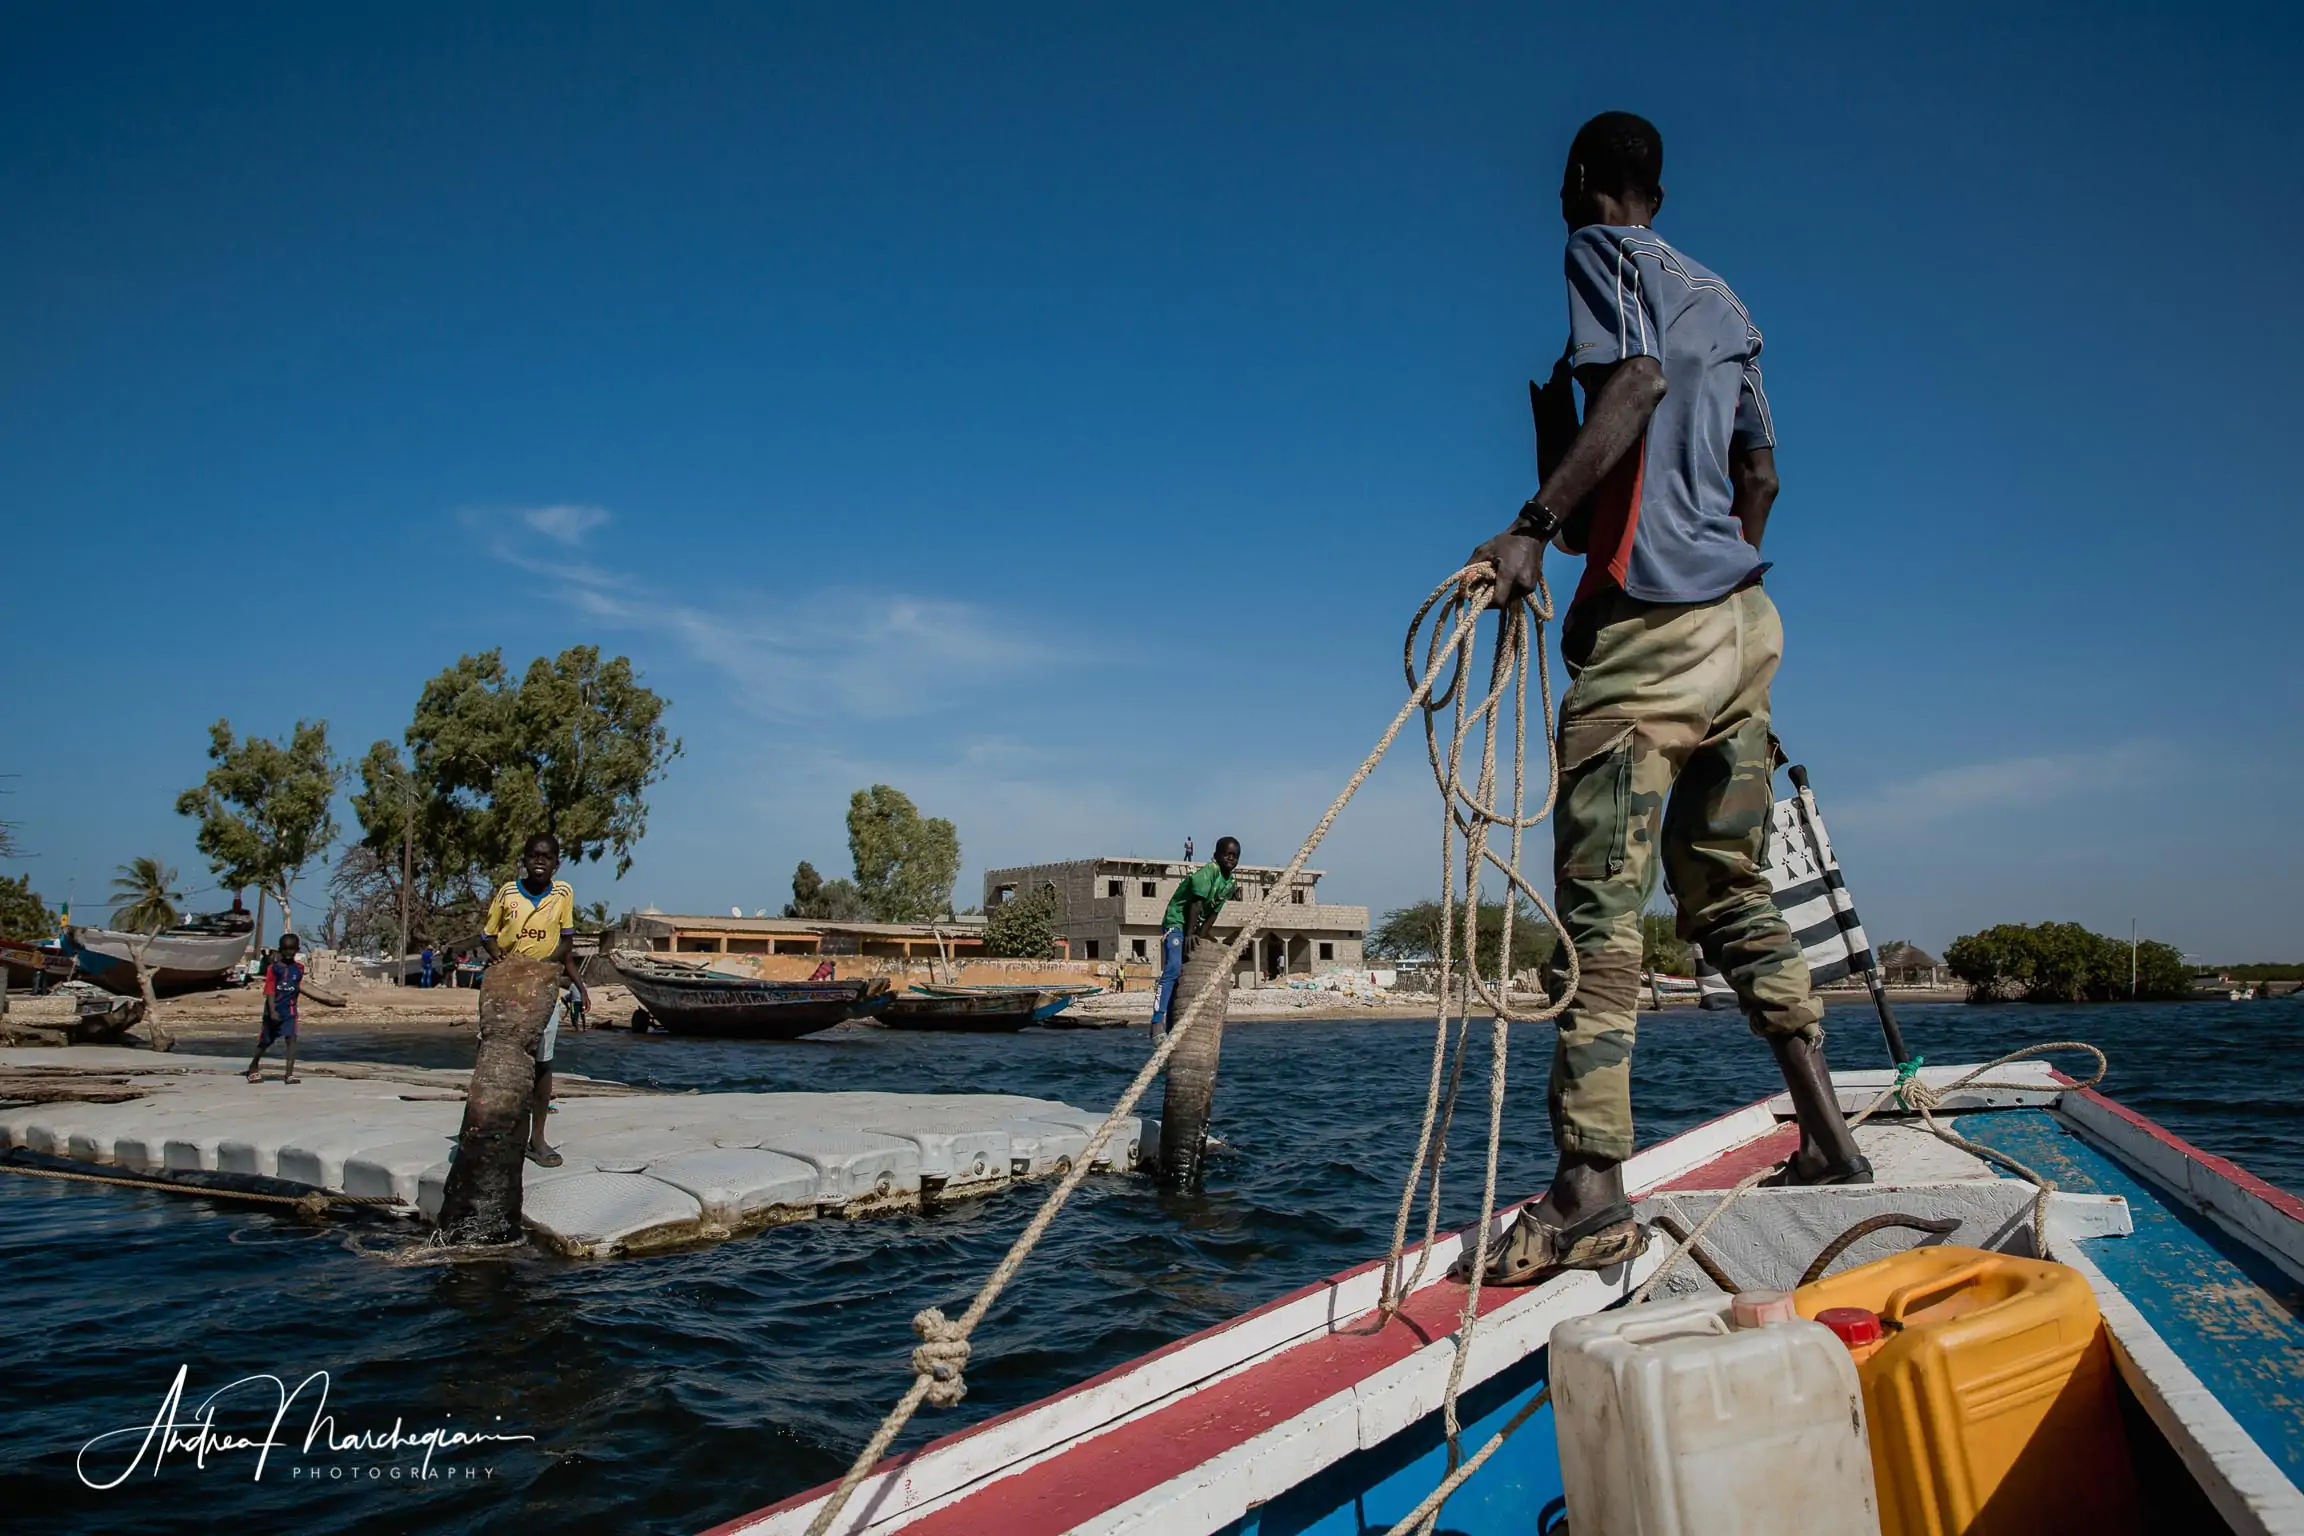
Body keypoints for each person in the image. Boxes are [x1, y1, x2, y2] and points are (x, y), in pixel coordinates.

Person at [1461, 112, 1869, 1286]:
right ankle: (1828, 1135)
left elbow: (1634, 381)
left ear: (1584, 180)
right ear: (1666, 182)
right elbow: (1763, 473)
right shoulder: (1731, 303)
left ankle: (1590, 1191)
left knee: (1602, 915)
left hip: (1658, 637)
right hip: (1749, 628)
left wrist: (1535, 529)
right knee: (1724, 882)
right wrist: (1716, 580)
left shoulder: (1607, 253)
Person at [480, 832, 589, 1167]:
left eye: (547, 857)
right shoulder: (508, 892)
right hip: (508, 987)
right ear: (524, 859)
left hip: (543, 988)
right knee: (499, 1059)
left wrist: (543, 971)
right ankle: (494, 1133)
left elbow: (566, 944)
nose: (539, 862)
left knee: (542, 1063)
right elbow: (488, 935)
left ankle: (536, 1139)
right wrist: (503, 960)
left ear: (556, 862)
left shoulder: (563, 893)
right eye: (533, 856)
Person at [1150, 837, 1241, 1035]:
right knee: (1173, 967)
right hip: (1176, 922)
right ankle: (1157, 1020)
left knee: (1185, 973)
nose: (1231, 859)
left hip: (1194, 926)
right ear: (1217, 855)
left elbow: (1214, 912)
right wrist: (1190, 933)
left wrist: (1201, 935)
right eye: (1227, 854)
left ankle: (1172, 1025)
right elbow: (1196, 903)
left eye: (1235, 856)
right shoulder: (1208, 872)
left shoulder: (1230, 883)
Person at [245, 933, 310, 1082]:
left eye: (292, 949)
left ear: (297, 949)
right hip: (273, 1010)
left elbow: (296, 988)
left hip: (290, 1011)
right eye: (285, 949)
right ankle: (253, 1066)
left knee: (291, 1039)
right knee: (266, 1041)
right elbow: (270, 990)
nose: (289, 952)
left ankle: (289, 1074)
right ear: (280, 949)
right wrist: (272, 1010)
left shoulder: (299, 969)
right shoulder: (274, 969)